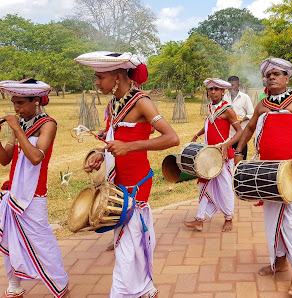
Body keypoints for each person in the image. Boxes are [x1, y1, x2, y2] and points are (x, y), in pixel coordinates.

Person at [75, 51, 179, 297]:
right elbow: (117, 138)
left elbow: (172, 137)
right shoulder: (113, 104)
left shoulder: (142, 101)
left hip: (136, 181)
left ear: (118, 77)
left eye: (100, 77)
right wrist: (102, 152)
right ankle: (145, 287)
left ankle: (123, 292)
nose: (97, 82)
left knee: (126, 243)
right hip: (117, 179)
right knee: (128, 238)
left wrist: (129, 147)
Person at [234, 58, 292, 297]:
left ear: (287, 78)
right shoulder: (262, 104)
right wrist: (238, 151)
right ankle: (280, 260)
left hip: (291, 173)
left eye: (277, 74)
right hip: (266, 172)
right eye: (268, 74)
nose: (271, 77)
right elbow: (250, 128)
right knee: (272, 220)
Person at [0, 79, 68, 298]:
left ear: (36, 101)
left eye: (21, 103)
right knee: (10, 238)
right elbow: (5, 159)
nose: (16, 108)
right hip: (14, 192)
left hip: (34, 194)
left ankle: (60, 284)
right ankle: (14, 285)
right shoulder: (22, 124)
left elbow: (37, 157)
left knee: (43, 241)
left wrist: (17, 129)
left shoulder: (48, 124)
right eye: (14, 103)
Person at [184, 78, 242, 232]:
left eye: (216, 89)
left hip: (222, 155)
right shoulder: (210, 107)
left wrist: (226, 145)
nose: (213, 92)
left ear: (223, 91)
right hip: (208, 155)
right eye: (210, 89)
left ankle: (229, 218)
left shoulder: (228, 109)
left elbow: (240, 132)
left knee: (224, 188)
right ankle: (200, 219)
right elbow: (208, 125)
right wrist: (196, 135)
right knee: (203, 185)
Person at [223, 76, 253, 159]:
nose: (231, 88)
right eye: (229, 85)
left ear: (238, 85)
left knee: (240, 159)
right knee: (228, 159)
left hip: (241, 134)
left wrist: (241, 119)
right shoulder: (224, 97)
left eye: (233, 85)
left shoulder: (245, 97)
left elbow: (251, 114)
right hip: (228, 135)